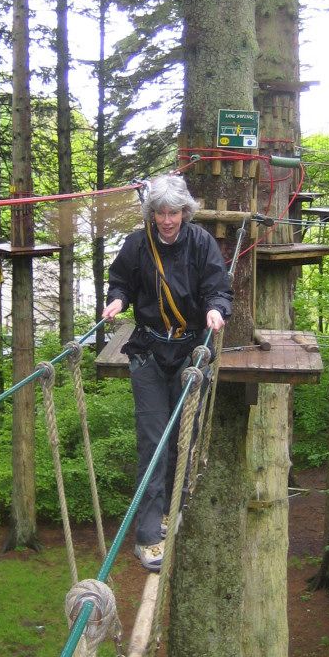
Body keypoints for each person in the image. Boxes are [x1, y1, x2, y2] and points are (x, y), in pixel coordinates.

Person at [102, 174, 233, 571]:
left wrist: (215, 309)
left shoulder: (200, 243)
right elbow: (120, 280)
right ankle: (146, 535)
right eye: (159, 212)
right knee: (153, 440)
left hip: (191, 350)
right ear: (151, 214)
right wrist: (118, 300)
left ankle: (167, 510)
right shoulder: (138, 243)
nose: (166, 220)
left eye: (173, 212)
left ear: (185, 212)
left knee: (183, 434)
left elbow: (218, 286)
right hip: (149, 351)